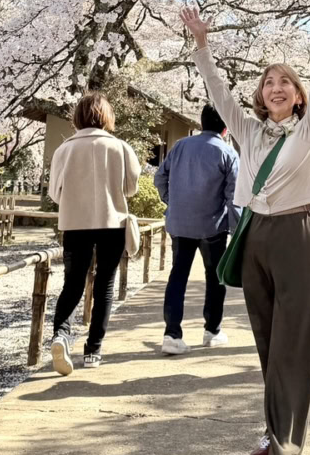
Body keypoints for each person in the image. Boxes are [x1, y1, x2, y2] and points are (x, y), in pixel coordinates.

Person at [181, 0, 310, 455]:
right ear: (260, 95)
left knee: (294, 343)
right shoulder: (247, 128)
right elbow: (216, 90)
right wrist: (201, 44)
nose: (275, 87)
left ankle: (285, 444)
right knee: (267, 339)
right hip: (253, 236)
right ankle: (275, 429)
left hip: (297, 236)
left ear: (297, 96)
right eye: (267, 82)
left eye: (284, 82)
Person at [48, 92, 141, 374]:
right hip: (111, 222)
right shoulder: (121, 148)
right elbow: (131, 188)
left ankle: (61, 335)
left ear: (77, 117)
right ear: (107, 117)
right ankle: (93, 350)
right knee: (105, 287)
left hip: (75, 224)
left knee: (73, 284)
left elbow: (55, 193)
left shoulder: (64, 149)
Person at [154, 103, 239, 355]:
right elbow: (233, 197)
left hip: (180, 223)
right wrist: (237, 229)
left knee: (177, 275)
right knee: (215, 277)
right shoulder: (228, 153)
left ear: (201, 123)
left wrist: (172, 200)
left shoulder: (180, 145)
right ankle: (212, 331)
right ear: (225, 128)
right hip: (212, 225)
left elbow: (160, 178)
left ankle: (172, 334)